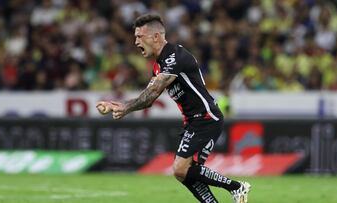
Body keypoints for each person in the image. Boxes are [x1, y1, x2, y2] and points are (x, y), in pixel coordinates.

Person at [96, 14, 251, 203]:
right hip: (193, 121)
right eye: (135, 36)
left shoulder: (174, 57)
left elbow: (151, 94)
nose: (136, 41)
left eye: (139, 36)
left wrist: (126, 107)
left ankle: (237, 187)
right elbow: (149, 97)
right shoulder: (159, 64)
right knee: (184, 173)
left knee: (180, 168)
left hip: (206, 118)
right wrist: (122, 104)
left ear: (156, 36)